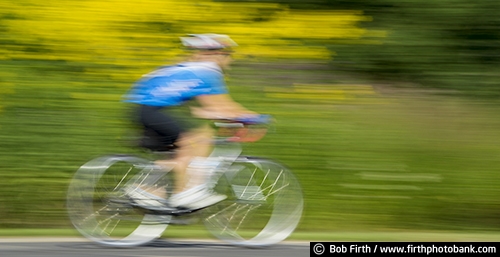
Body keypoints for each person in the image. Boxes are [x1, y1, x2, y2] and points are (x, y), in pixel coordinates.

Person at [123, 34, 258, 210]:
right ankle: (184, 195)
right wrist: (252, 117)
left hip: (143, 109)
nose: (229, 60)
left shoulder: (190, 69)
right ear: (218, 54)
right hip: (150, 110)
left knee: (184, 150)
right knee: (196, 140)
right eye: (228, 55)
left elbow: (201, 110)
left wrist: (227, 116)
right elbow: (221, 105)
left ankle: (144, 190)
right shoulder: (207, 70)